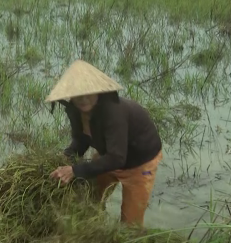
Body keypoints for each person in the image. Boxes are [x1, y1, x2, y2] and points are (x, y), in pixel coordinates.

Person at [46, 60, 164, 227]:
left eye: (89, 93)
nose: (83, 99)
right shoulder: (75, 110)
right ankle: (95, 228)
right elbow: (80, 140)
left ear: (98, 91)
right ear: (71, 95)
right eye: (78, 94)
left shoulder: (113, 112)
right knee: (89, 201)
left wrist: (75, 170)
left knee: (130, 224)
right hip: (110, 155)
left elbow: (117, 159)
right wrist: (66, 158)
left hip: (140, 163)